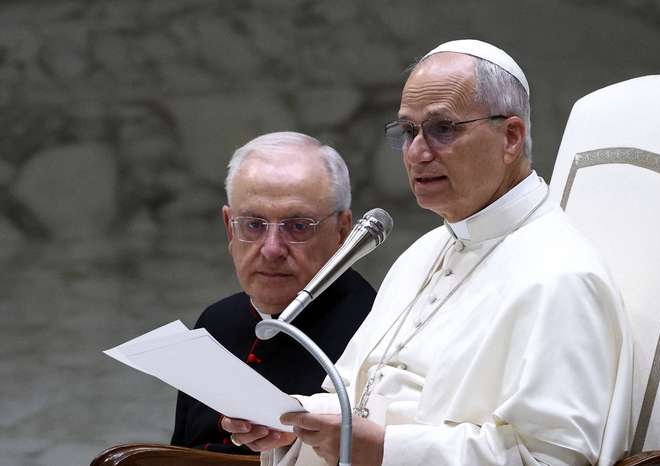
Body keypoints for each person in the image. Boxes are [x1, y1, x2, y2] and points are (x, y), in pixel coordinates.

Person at [223, 40, 633, 466]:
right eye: (407, 131)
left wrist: (386, 451)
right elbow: (361, 401)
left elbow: (553, 459)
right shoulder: (423, 252)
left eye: (443, 129)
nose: (417, 153)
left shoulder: (561, 276)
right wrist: (292, 421)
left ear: (511, 137)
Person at [171, 132, 376, 453]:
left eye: (298, 226)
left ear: (342, 232)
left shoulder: (375, 328)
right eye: (253, 225)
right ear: (229, 227)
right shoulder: (217, 321)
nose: (272, 249)